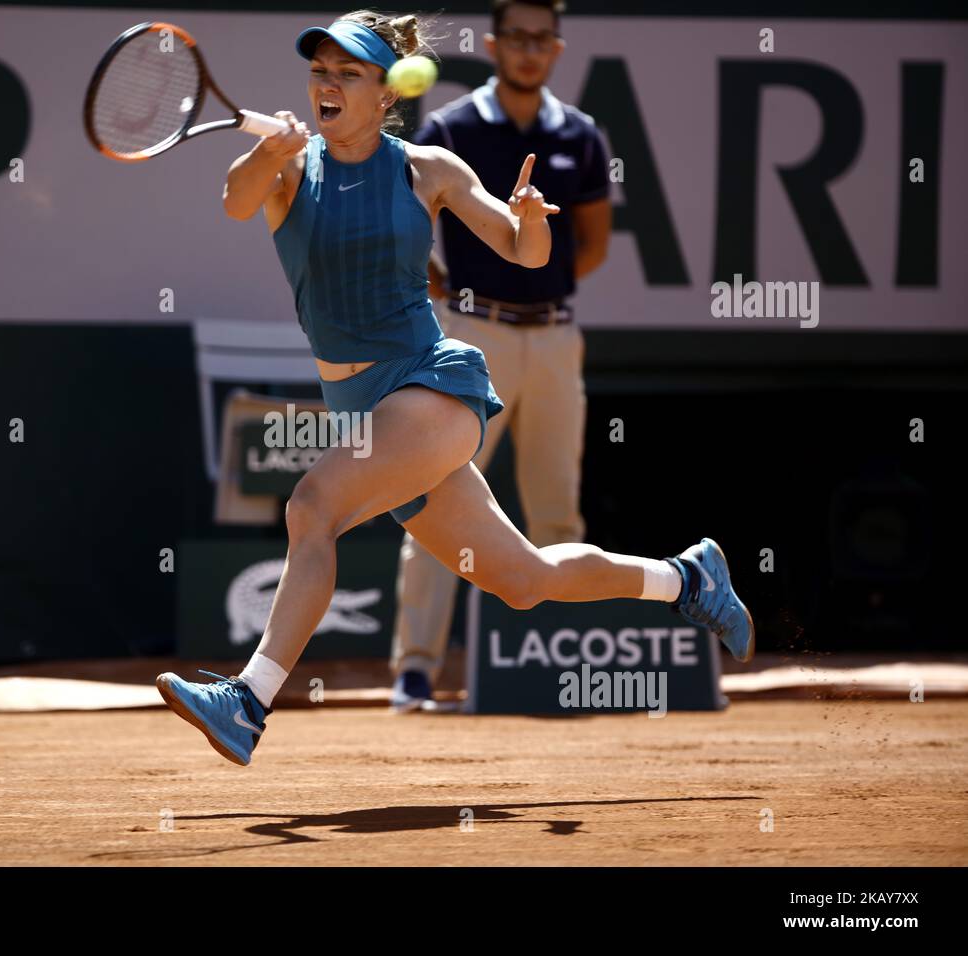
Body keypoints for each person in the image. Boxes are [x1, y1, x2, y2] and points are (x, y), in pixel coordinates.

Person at [156, 10, 753, 766]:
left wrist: (533, 221)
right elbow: (236, 201)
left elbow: (522, 250)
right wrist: (270, 151)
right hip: (369, 413)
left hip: (432, 390)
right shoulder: (286, 168)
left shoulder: (426, 168)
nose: (327, 84)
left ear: (385, 94)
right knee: (524, 580)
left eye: (349, 73)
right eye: (319, 72)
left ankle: (248, 699)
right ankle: (686, 578)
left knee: (312, 508)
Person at [391, 0, 612, 711]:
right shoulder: (450, 129)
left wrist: (538, 284)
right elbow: (407, 230)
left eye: (541, 39)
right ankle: (416, 672)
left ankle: (557, 671)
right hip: (469, 335)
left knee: (556, 509)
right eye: (515, 37)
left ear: (556, 48)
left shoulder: (581, 135)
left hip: (554, 338)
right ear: (492, 44)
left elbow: (592, 243)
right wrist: (453, 297)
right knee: (439, 501)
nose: (528, 50)